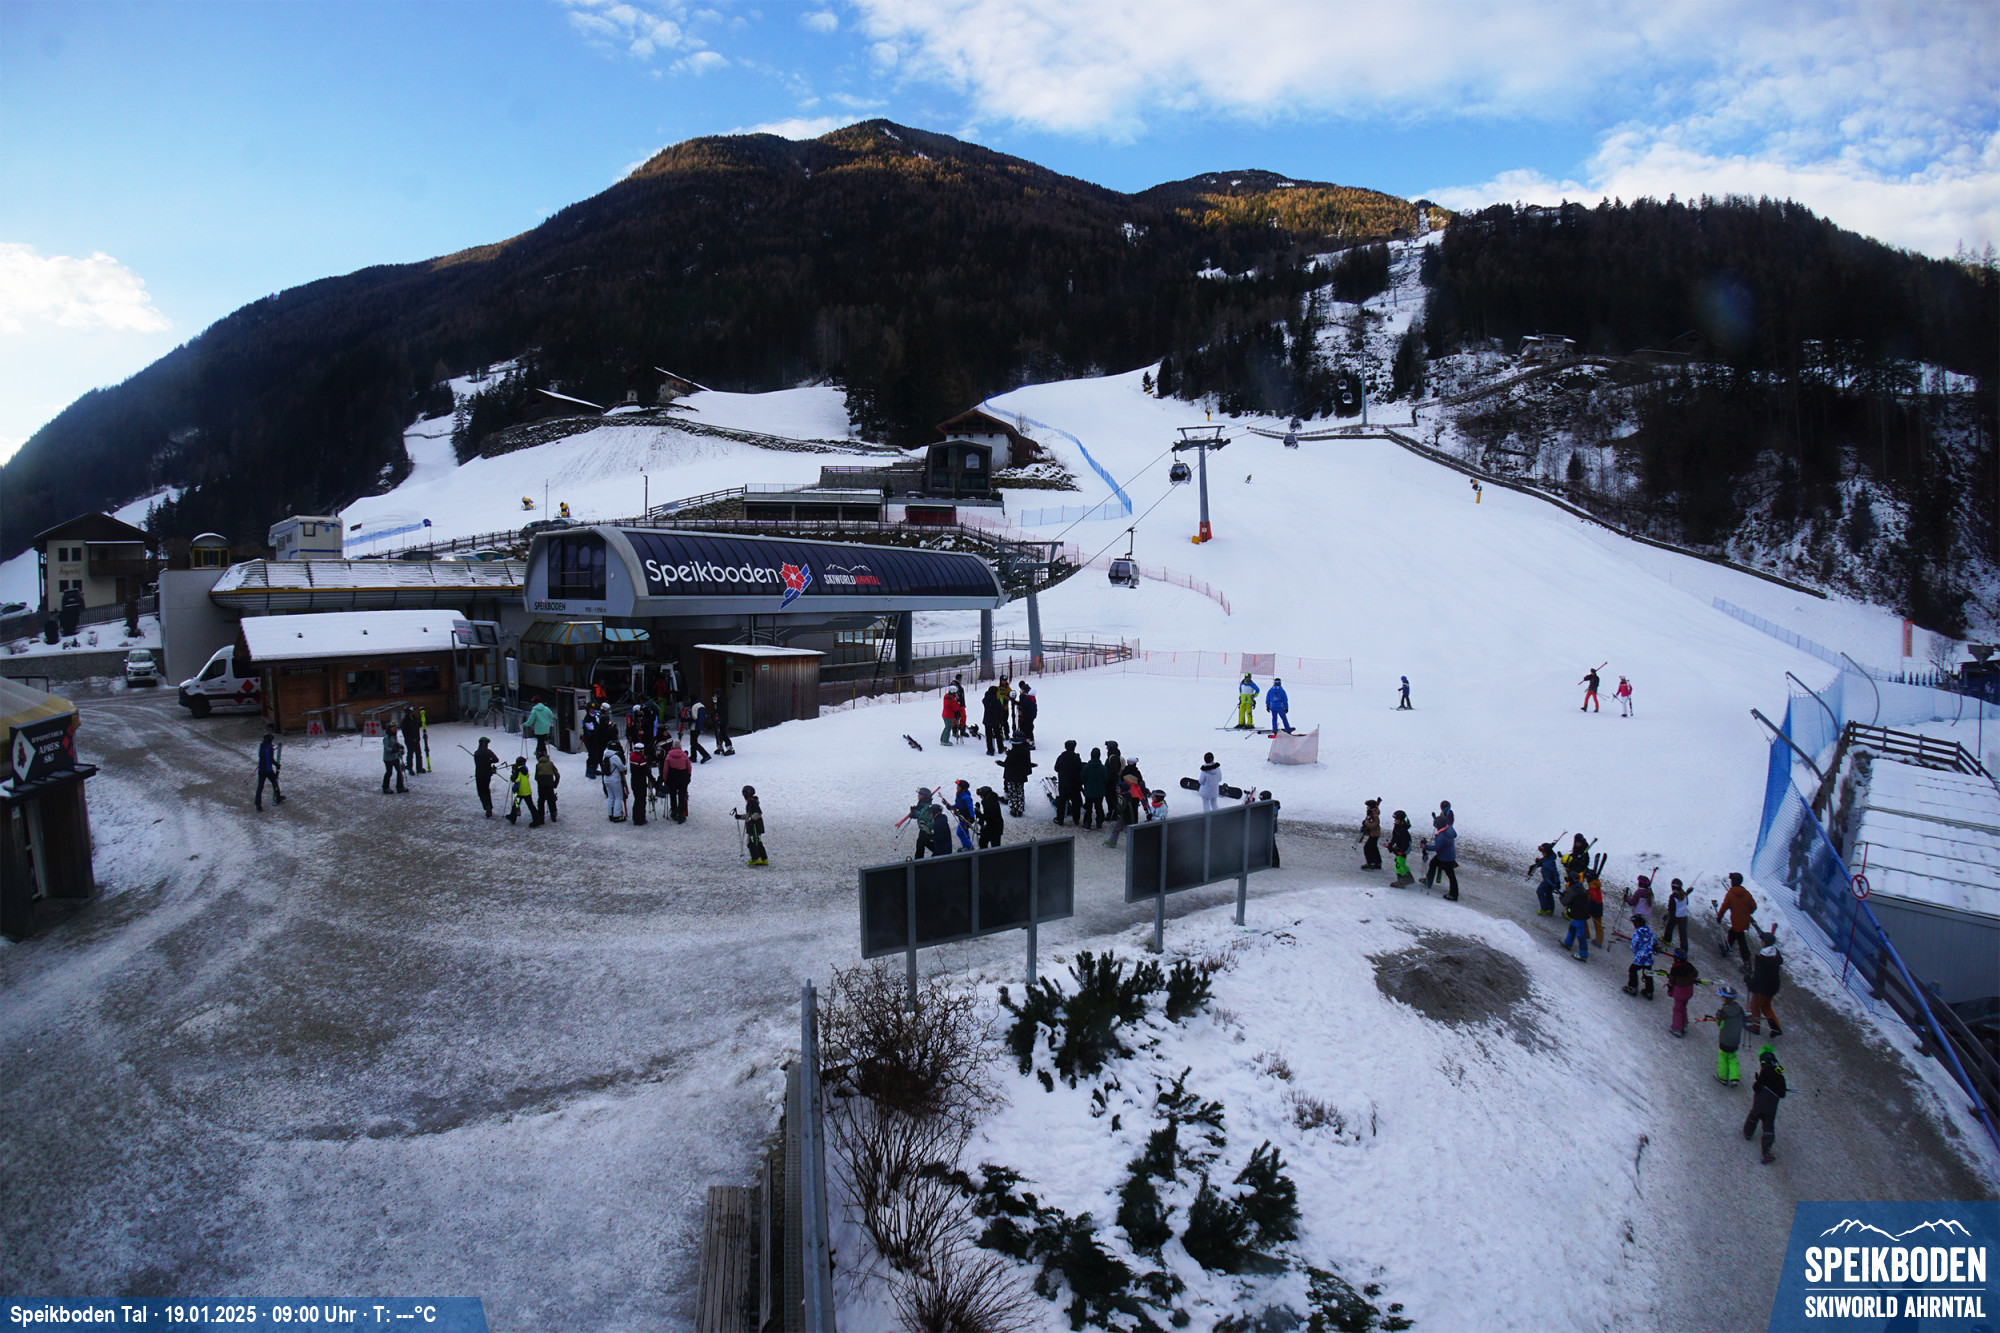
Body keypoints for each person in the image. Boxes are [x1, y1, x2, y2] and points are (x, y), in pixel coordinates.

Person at [1743, 1046, 1786, 1163]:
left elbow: (1756, 1087)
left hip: (1760, 1103)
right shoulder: (1780, 1076)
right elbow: (1782, 1094)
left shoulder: (1765, 1072)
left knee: (1753, 1115)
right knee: (1768, 1126)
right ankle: (1766, 1152)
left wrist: (1758, 1081)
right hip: (1771, 1107)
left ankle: (1747, 1132)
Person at [1746, 930, 1784, 1036]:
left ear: (1765, 942)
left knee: (1754, 1006)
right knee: (1766, 1006)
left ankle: (1755, 1027)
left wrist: (1750, 983)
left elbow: (1759, 976)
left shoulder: (1763, 959)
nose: (1761, 942)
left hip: (1763, 988)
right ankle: (1776, 1028)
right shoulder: (1775, 955)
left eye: (1762, 941)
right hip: (1773, 986)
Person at [1717, 872, 1758, 966]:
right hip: (1745, 921)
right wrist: (1748, 912)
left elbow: (1724, 907)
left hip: (1737, 922)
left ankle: (1747, 963)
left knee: (1741, 942)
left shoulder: (1730, 894)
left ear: (1733, 882)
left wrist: (1719, 917)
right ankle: (1727, 947)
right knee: (1732, 933)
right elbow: (1754, 906)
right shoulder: (1746, 893)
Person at [1712, 985, 1746, 1085]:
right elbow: (1743, 1020)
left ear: (1724, 998)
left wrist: (1717, 1018)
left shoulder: (1722, 1011)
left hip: (1725, 1040)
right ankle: (1734, 1077)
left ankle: (1722, 1077)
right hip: (1735, 1040)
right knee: (1733, 1057)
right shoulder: (1740, 1009)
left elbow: (1720, 1024)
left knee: (1723, 1057)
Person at [1105, 768, 1145, 848]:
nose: (1117, 790)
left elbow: (1120, 808)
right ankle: (1132, 844)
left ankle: (1113, 842)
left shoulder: (1122, 797)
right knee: (1125, 830)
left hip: (1123, 817)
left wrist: (1116, 810)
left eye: (1119, 789)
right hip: (1128, 816)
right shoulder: (1128, 796)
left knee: (1117, 829)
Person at [1424, 815, 1460, 900]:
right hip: (1449, 854)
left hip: (1445, 858)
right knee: (1433, 863)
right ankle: (1428, 881)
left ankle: (1454, 894)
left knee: (1451, 875)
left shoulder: (1441, 836)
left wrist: (1426, 847)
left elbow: (1437, 848)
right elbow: (1455, 835)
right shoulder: (1450, 828)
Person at [1665, 949, 1700, 1036]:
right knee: (1683, 1007)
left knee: (1677, 1009)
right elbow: (1696, 973)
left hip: (1679, 992)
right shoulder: (1689, 966)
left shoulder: (1675, 968)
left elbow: (1672, 980)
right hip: (1688, 991)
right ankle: (1684, 1024)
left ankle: (1677, 1028)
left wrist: (1670, 987)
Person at [998, 740, 1036, 818]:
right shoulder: (1025, 752)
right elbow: (1027, 764)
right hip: (1021, 776)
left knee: (1012, 793)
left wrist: (998, 762)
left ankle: (1014, 809)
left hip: (1011, 776)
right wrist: (1033, 765)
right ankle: (1020, 809)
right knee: (1020, 792)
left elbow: (1006, 764)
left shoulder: (1011, 753)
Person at [1623, 915, 1657, 998]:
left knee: (1632, 970)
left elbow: (1634, 946)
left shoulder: (1638, 933)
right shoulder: (1650, 932)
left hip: (1640, 958)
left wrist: (1636, 952)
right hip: (1649, 958)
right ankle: (1649, 991)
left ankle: (1632, 987)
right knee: (1648, 973)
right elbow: (1655, 942)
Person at [1561, 873, 1591, 961]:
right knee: (1572, 927)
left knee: (1580, 935)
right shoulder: (1581, 887)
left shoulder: (1571, 890)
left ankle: (1583, 954)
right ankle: (1568, 943)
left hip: (1579, 914)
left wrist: (1562, 896)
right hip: (1583, 912)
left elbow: (1564, 902)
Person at [1053, 740, 1084, 825]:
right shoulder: (1076, 758)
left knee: (1062, 802)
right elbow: (1080, 768)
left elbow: (1056, 768)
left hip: (1063, 783)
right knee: (1075, 801)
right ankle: (1076, 819)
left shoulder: (1061, 757)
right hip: (1074, 783)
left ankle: (1060, 819)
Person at [736, 786, 768, 865]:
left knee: (751, 842)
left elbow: (758, 813)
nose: (744, 796)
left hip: (754, 826)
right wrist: (740, 817)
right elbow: (749, 815)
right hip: (757, 825)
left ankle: (756, 858)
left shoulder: (751, 802)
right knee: (757, 841)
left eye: (745, 794)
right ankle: (763, 858)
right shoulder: (752, 801)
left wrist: (752, 820)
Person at [661, 740, 691, 822]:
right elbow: (689, 767)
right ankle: (681, 814)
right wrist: (688, 776)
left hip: (672, 777)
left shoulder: (669, 756)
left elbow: (665, 770)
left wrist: (665, 779)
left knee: (673, 795)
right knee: (682, 795)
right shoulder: (684, 755)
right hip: (683, 777)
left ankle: (674, 812)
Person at [255, 726, 284, 810]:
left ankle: (258, 804)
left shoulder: (262, 746)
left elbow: (262, 757)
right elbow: (270, 759)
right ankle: (277, 798)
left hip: (261, 769)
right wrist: (276, 765)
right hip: (268, 770)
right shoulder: (269, 747)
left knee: (260, 787)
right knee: (274, 783)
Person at [1528, 843, 1561, 915]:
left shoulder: (1550, 862)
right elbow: (1542, 863)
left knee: (1539, 891)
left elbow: (1555, 873)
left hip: (1548, 881)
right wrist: (1536, 864)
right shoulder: (1546, 859)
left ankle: (1545, 908)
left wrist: (1557, 882)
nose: (1542, 854)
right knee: (1548, 893)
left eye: (1543, 852)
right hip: (1548, 880)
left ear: (1547, 853)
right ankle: (1550, 909)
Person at [1663, 878, 1693, 952]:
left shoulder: (1673, 896)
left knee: (1670, 927)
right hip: (1684, 916)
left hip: (1675, 915)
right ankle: (1684, 949)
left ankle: (1667, 939)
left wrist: (1668, 915)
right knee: (1683, 933)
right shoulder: (1684, 895)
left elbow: (1671, 908)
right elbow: (1686, 903)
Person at [1080, 747, 1108, 830]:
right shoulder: (1103, 768)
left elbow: (1083, 778)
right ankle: (1099, 823)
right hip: (1100, 791)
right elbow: (1106, 779)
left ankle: (1087, 824)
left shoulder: (1086, 767)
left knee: (1088, 808)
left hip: (1089, 791)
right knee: (1099, 807)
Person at [471, 737, 499, 817]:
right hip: (487, 774)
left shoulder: (476, 753)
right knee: (486, 790)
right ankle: (489, 806)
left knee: (481, 791)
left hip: (479, 774)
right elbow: (496, 760)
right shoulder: (488, 752)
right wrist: (489, 761)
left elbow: (477, 763)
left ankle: (486, 806)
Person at [600, 742, 628, 822]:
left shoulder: (605, 755)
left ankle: (610, 814)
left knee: (610, 797)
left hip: (606, 779)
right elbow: (621, 768)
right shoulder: (614, 757)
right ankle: (617, 815)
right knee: (618, 797)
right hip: (615, 779)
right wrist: (625, 767)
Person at [1387, 810, 1414, 886]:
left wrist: (1400, 850)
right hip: (1400, 847)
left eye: (1396, 819)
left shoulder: (1403, 830)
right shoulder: (1397, 827)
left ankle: (1401, 881)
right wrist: (1391, 844)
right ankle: (1409, 878)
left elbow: (1405, 842)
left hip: (1403, 849)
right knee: (1402, 863)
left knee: (1398, 865)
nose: (1394, 821)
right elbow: (1394, 837)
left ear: (1400, 820)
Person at [534, 749, 560, 824]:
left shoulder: (538, 765)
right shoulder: (550, 763)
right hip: (549, 784)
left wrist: (540, 781)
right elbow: (557, 775)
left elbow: (536, 777)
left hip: (541, 784)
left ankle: (541, 817)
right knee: (551, 799)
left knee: (541, 799)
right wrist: (555, 784)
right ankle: (553, 814)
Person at [506, 757, 534, 824]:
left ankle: (513, 817)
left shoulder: (518, 770)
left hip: (520, 791)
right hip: (527, 790)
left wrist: (514, 788)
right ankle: (536, 819)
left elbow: (517, 780)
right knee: (530, 805)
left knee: (516, 804)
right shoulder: (525, 770)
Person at [950, 780, 977, 850]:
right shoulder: (959, 795)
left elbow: (970, 807)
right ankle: (968, 845)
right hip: (962, 817)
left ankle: (968, 846)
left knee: (960, 832)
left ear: (963, 788)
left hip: (966, 818)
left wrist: (971, 817)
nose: (957, 787)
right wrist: (952, 807)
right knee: (965, 832)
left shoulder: (966, 797)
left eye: (958, 786)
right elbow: (958, 805)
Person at [629, 738, 650, 825]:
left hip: (634, 781)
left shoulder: (632, 757)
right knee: (641, 801)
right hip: (641, 782)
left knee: (637, 800)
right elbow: (646, 771)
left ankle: (636, 818)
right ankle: (641, 818)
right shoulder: (641, 760)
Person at [982, 685, 1008, 755]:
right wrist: (1001, 720)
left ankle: (990, 750)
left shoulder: (986, 699)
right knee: (998, 735)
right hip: (996, 720)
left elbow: (983, 701)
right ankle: (1000, 748)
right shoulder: (997, 700)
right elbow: (1000, 709)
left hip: (987, 720)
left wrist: (986, 695)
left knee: (988, 736)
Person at [381, 728, 407, 794]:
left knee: (399, 771)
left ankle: (400, 787)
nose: (394, 729)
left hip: (395, 757)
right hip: (388, 758)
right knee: (389, 772)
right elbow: (386, 748)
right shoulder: (387, 738)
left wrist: (400, 747)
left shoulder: (394, 736)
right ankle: (385, 787)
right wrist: (393, 750)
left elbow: (395, 744)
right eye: (392, 728)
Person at [1360, 798, 1383, 869]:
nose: (1367, 807)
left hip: (1374, 834)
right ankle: (1377, 862)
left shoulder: (1374, 815)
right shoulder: (1371, 813)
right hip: (1374, 834)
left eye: (1368, 806)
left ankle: (1371, 862)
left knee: (1367, 848)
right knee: (1374, 847)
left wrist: (1366, 823)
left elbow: (1374, 825)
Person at [1586, 868, 1606, 948]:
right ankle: (1599, 940)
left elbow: (1593, 897)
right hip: (1598, 905)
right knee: (1598, 924)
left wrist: (1588, 905)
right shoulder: (1596, 884)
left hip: (1594, 906)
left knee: (1584, 919)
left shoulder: (1593, 886)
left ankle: (1586, 934)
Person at [401, 706, 424, 775]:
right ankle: (410, 768)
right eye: (410, 711)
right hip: (410, 741)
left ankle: (419, 768)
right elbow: (405, 732)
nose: (412, 713)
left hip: (416, 739)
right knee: (410, 754)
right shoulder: (405, 721)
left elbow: (417, 725)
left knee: (418, 754)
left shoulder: (414, 718)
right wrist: (410, 738)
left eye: (412, 711)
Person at [1014, 682, 1037, 748]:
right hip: (1029, 715)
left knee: (1028, 729)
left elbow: (1023, 704)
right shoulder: (1030, 697)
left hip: (1028, 716)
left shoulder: (1029, 697)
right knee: (1027, 729)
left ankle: (1031, 743)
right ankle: (1028, 742)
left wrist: (1021, 696)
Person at [688, 698, 711, 763]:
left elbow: (694, 717)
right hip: (700, 726)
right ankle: (693, 756)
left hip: (694, 727)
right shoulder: (701, 705)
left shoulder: (694, 707)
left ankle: (705, 755)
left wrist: (687, 719)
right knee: (694, 741)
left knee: (693, 742)